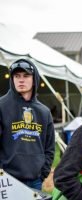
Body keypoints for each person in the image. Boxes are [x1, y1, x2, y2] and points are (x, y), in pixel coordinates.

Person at [0, 59, 55, 190]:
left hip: (35, 180)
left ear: (34, 78)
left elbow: (50, 148)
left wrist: (42, 174)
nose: (21, 80)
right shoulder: (1, 106)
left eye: (26, 76)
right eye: (17, 76)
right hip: (8, 180)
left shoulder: (44, 112)